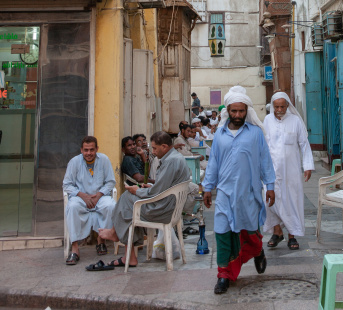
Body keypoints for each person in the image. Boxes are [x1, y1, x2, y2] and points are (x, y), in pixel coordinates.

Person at [203, 85, 276, 295]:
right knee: (222, 233)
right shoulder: (219, 135)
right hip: (225, 194)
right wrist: (208, 187)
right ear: (228, 110)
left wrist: (270, 185)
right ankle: (223, 275)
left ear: (247, 111)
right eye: (233, 111)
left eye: (241, 111)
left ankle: (257, 250)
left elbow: (265, 161)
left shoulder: (255, 134)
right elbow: (214, 161)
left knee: (250, 232)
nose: (237, 115)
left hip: (249, 193)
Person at [93, 131, 189, 269]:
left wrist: (137, 190)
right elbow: (163, 186)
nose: (153, 151)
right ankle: (126, 250)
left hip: (163, 209)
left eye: (155, 148)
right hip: (169, 205)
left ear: (164, 146)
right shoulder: (175, 157)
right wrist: (148, 186)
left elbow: (156, 192)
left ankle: (118, 238)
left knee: (127, 200)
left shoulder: (170, 161)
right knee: (128, 204)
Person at [263, 91, 314, 251]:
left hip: (291, 171)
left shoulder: (295, 121)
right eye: (276, 107)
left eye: (282, 107)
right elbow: (263, 146)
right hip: (271, 171)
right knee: (269, 201)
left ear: (287, 106)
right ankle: (277, 231)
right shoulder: (267, 120)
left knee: (292, 201)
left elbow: (304, 144)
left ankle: (292, 235)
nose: (279, 110)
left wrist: (307, 166)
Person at [63, 136, 116, 265]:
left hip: (100, 197)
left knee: (110, 205)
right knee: (73, 206)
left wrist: (98, 195)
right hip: (80, 198)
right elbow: (67, 185)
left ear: (97, 149)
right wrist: (82, 195)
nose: (89, 153)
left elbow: (110, 182)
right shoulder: (74, 162)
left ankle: (101, 240)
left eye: (92, 150)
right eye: (86, 150)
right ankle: (75, 249)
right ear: (81, 150)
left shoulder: (104, 160)